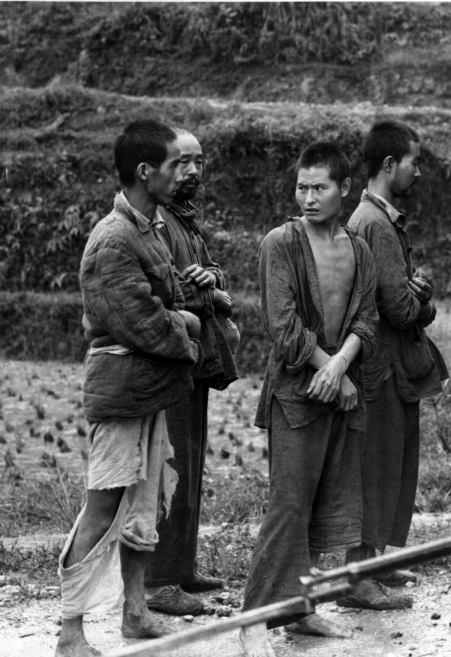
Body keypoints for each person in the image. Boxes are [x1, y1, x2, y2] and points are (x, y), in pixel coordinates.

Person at [56, 119, 202, 657]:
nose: (182, 173)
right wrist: (189, 328)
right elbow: (140, 320)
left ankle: (135, 613)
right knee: (101, 509)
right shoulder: (113, 238)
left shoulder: (151, 228)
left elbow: (162, 296)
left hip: (149, 389)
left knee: (144, 504)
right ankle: (70, 633)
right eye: (173, 165)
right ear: (146, 172)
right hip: (121, 391)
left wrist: (189, 304)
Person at [239, 142, 377, 657]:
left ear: (344, 189)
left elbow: (367, 319)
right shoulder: (281, 243)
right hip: (297, 395)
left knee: (324, 502)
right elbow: (282, 325)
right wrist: (328, 369)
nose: (309, 197)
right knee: (289, 505)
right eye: (302, 186)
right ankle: (253, 619)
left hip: (337, 392)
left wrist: (341, 368)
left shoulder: (358, 249)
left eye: (320, 187)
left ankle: (302, 610)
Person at [343, 120, 448, 609]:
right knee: (377, 468)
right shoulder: (375, 224)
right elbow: (401, 309)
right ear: (389, 166)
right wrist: (423, 301)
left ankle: (376, 565)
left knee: (392, 464)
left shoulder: (378, 219)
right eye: (413, 162)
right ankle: (358, 577)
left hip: (390, 367)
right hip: (380, 368)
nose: (419, 172)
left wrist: (413, 294)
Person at [144, 128, 240, 615]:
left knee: (192, 464)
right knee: (172, 469)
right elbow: (168, 288)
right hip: (172, 357)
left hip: (195, 359)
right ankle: (159, 580)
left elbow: (210, 271)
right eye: (182, 163)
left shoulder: (185, 221)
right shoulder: (155, 221)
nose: (192, 172)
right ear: (162, 168)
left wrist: (214, 280)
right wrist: (213, 293)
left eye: (198, 162)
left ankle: (181, 568)